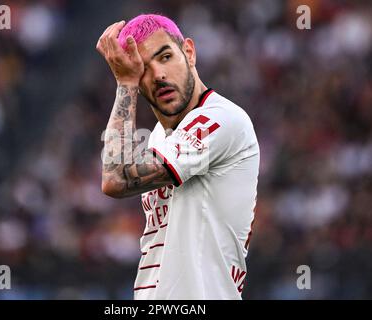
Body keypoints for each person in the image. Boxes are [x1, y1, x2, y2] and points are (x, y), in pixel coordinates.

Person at [96, 14, 259, 299]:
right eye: (143, 68)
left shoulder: (222, 119)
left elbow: (115, 180)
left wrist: (126, 84)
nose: (158, 74)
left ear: (189, 52)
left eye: (166, 56)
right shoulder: (160, 136)